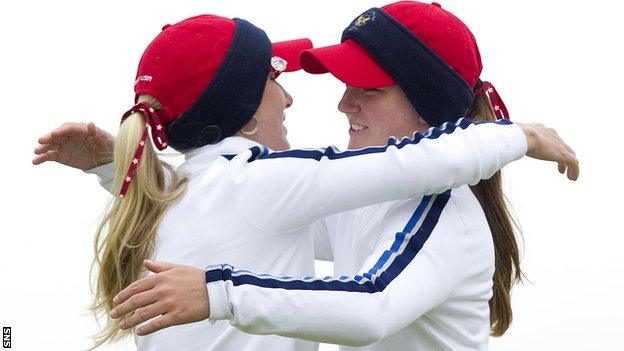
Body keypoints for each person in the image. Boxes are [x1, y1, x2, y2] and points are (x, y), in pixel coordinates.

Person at [104, 2, 580, 351]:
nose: (343, 104)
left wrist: (218, 292)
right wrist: (118, 167)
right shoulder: (352, 199)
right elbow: (231, 217)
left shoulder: (442, 208)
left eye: (368, 90)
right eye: (346, 86)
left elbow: (372, 306)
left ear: (429, 105)